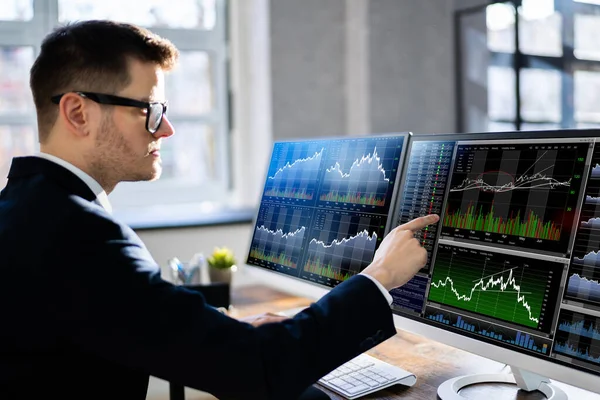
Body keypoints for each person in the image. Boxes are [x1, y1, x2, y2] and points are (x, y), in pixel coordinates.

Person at [0, 20, 439, 400]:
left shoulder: (28, 211)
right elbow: (258, 371)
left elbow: (121, 318)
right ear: (78, 113)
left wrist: (219, 329)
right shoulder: (80, 236)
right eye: (151, 111)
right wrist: (379, 277)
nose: (167, 129)